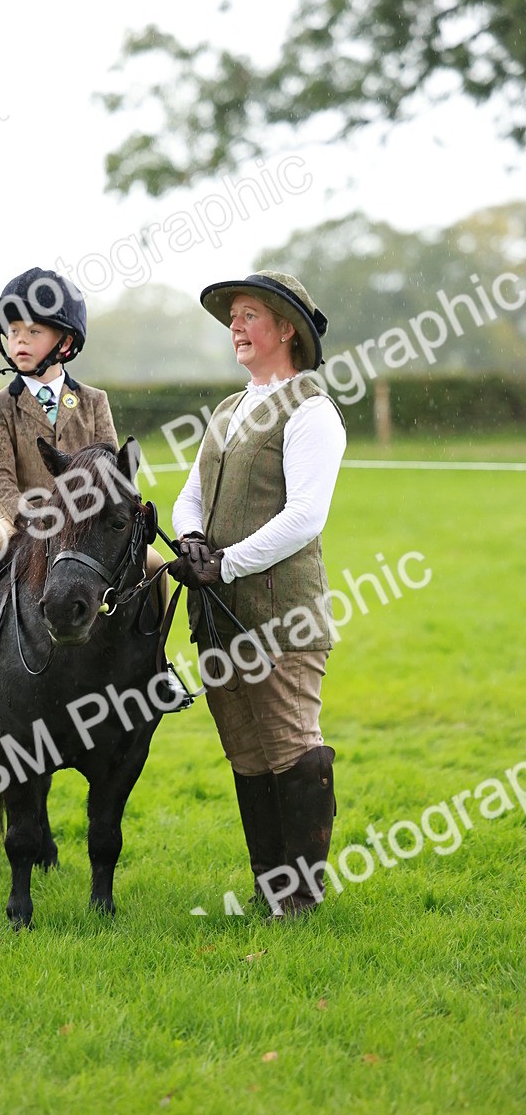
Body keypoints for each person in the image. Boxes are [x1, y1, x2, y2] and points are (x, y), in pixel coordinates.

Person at [0, 266, 189, 707]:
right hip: (26, 517)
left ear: (65, 343)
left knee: (154, 566)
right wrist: (26, 515)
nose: (18, 340)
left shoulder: (93, 400)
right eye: (12, 331)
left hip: (87, 521)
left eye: (32, 331)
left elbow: (112, 464)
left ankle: (159, 661)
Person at [168, 271, 346, 918]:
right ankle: (270, 885)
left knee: (290, 744)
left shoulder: (311, 411)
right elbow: (191, 492)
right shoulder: (227, 409)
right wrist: (191, 541)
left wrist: (226, 564)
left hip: (283, 618)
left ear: (286, 329)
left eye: (249, 316)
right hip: (219, 620)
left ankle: (300, 896)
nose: (236, 327)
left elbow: (305, 516)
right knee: (245, 751)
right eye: (233, 318)